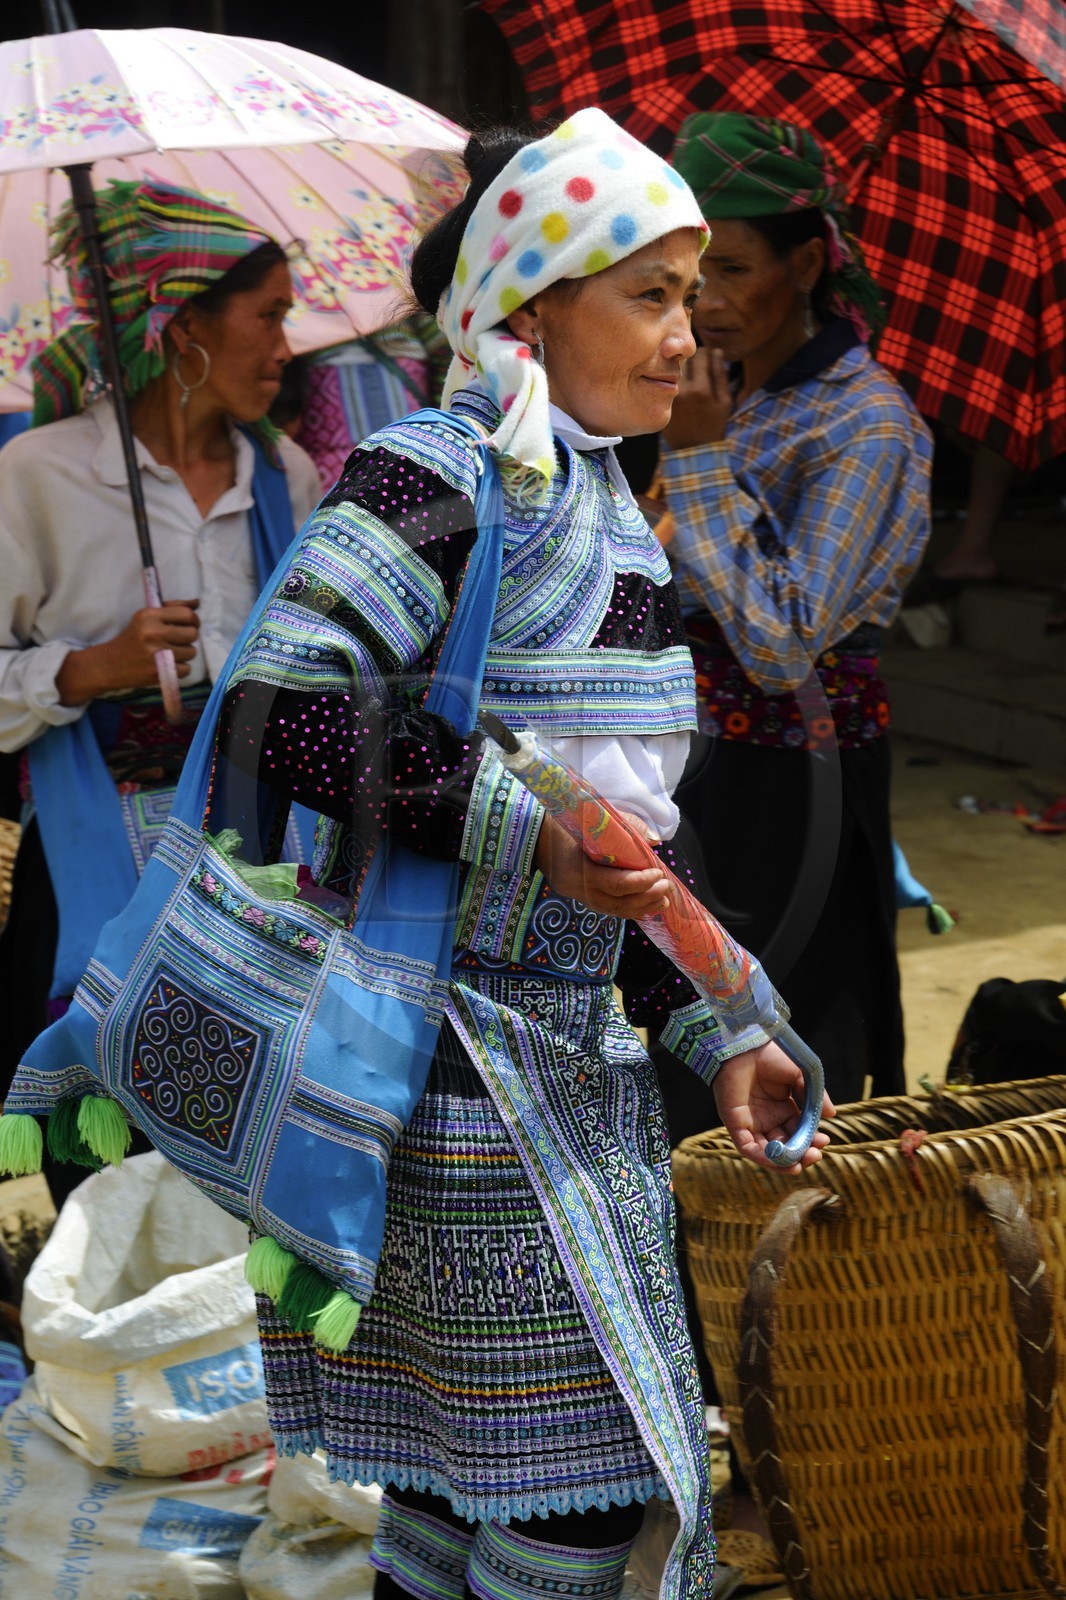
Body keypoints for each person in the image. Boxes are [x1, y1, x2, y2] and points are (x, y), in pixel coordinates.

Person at [216, 110, 833, 1600]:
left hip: (563, 1080)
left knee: (453, 1517)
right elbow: (274, 712)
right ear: (532, 300)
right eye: (649, 293)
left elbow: (615, 840)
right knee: (576, 1506)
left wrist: (720, 1019)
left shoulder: (599, 502)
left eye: (692, 293)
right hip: (446, 1096)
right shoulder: (435, 474)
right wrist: (520, 834)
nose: (686, 337)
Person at [0, 179, 321, 1205]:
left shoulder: (289, 480)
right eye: (267, 316)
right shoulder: (41, 477)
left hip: (254, 883)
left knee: (241, 1170)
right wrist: (91, 670)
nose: (285, 347)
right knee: (104, 1183)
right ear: (184, 329)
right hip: (95, 883)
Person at [654, 112, 933, 1108]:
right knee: (681, 1051)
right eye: (687, 275)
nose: (707, 304)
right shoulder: (710, 391)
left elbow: (779, 643)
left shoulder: (865, 421)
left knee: (791, 1052)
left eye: (731, 269)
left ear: (808, 261)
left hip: (794, 789)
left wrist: (691, 461)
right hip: (684, 774)